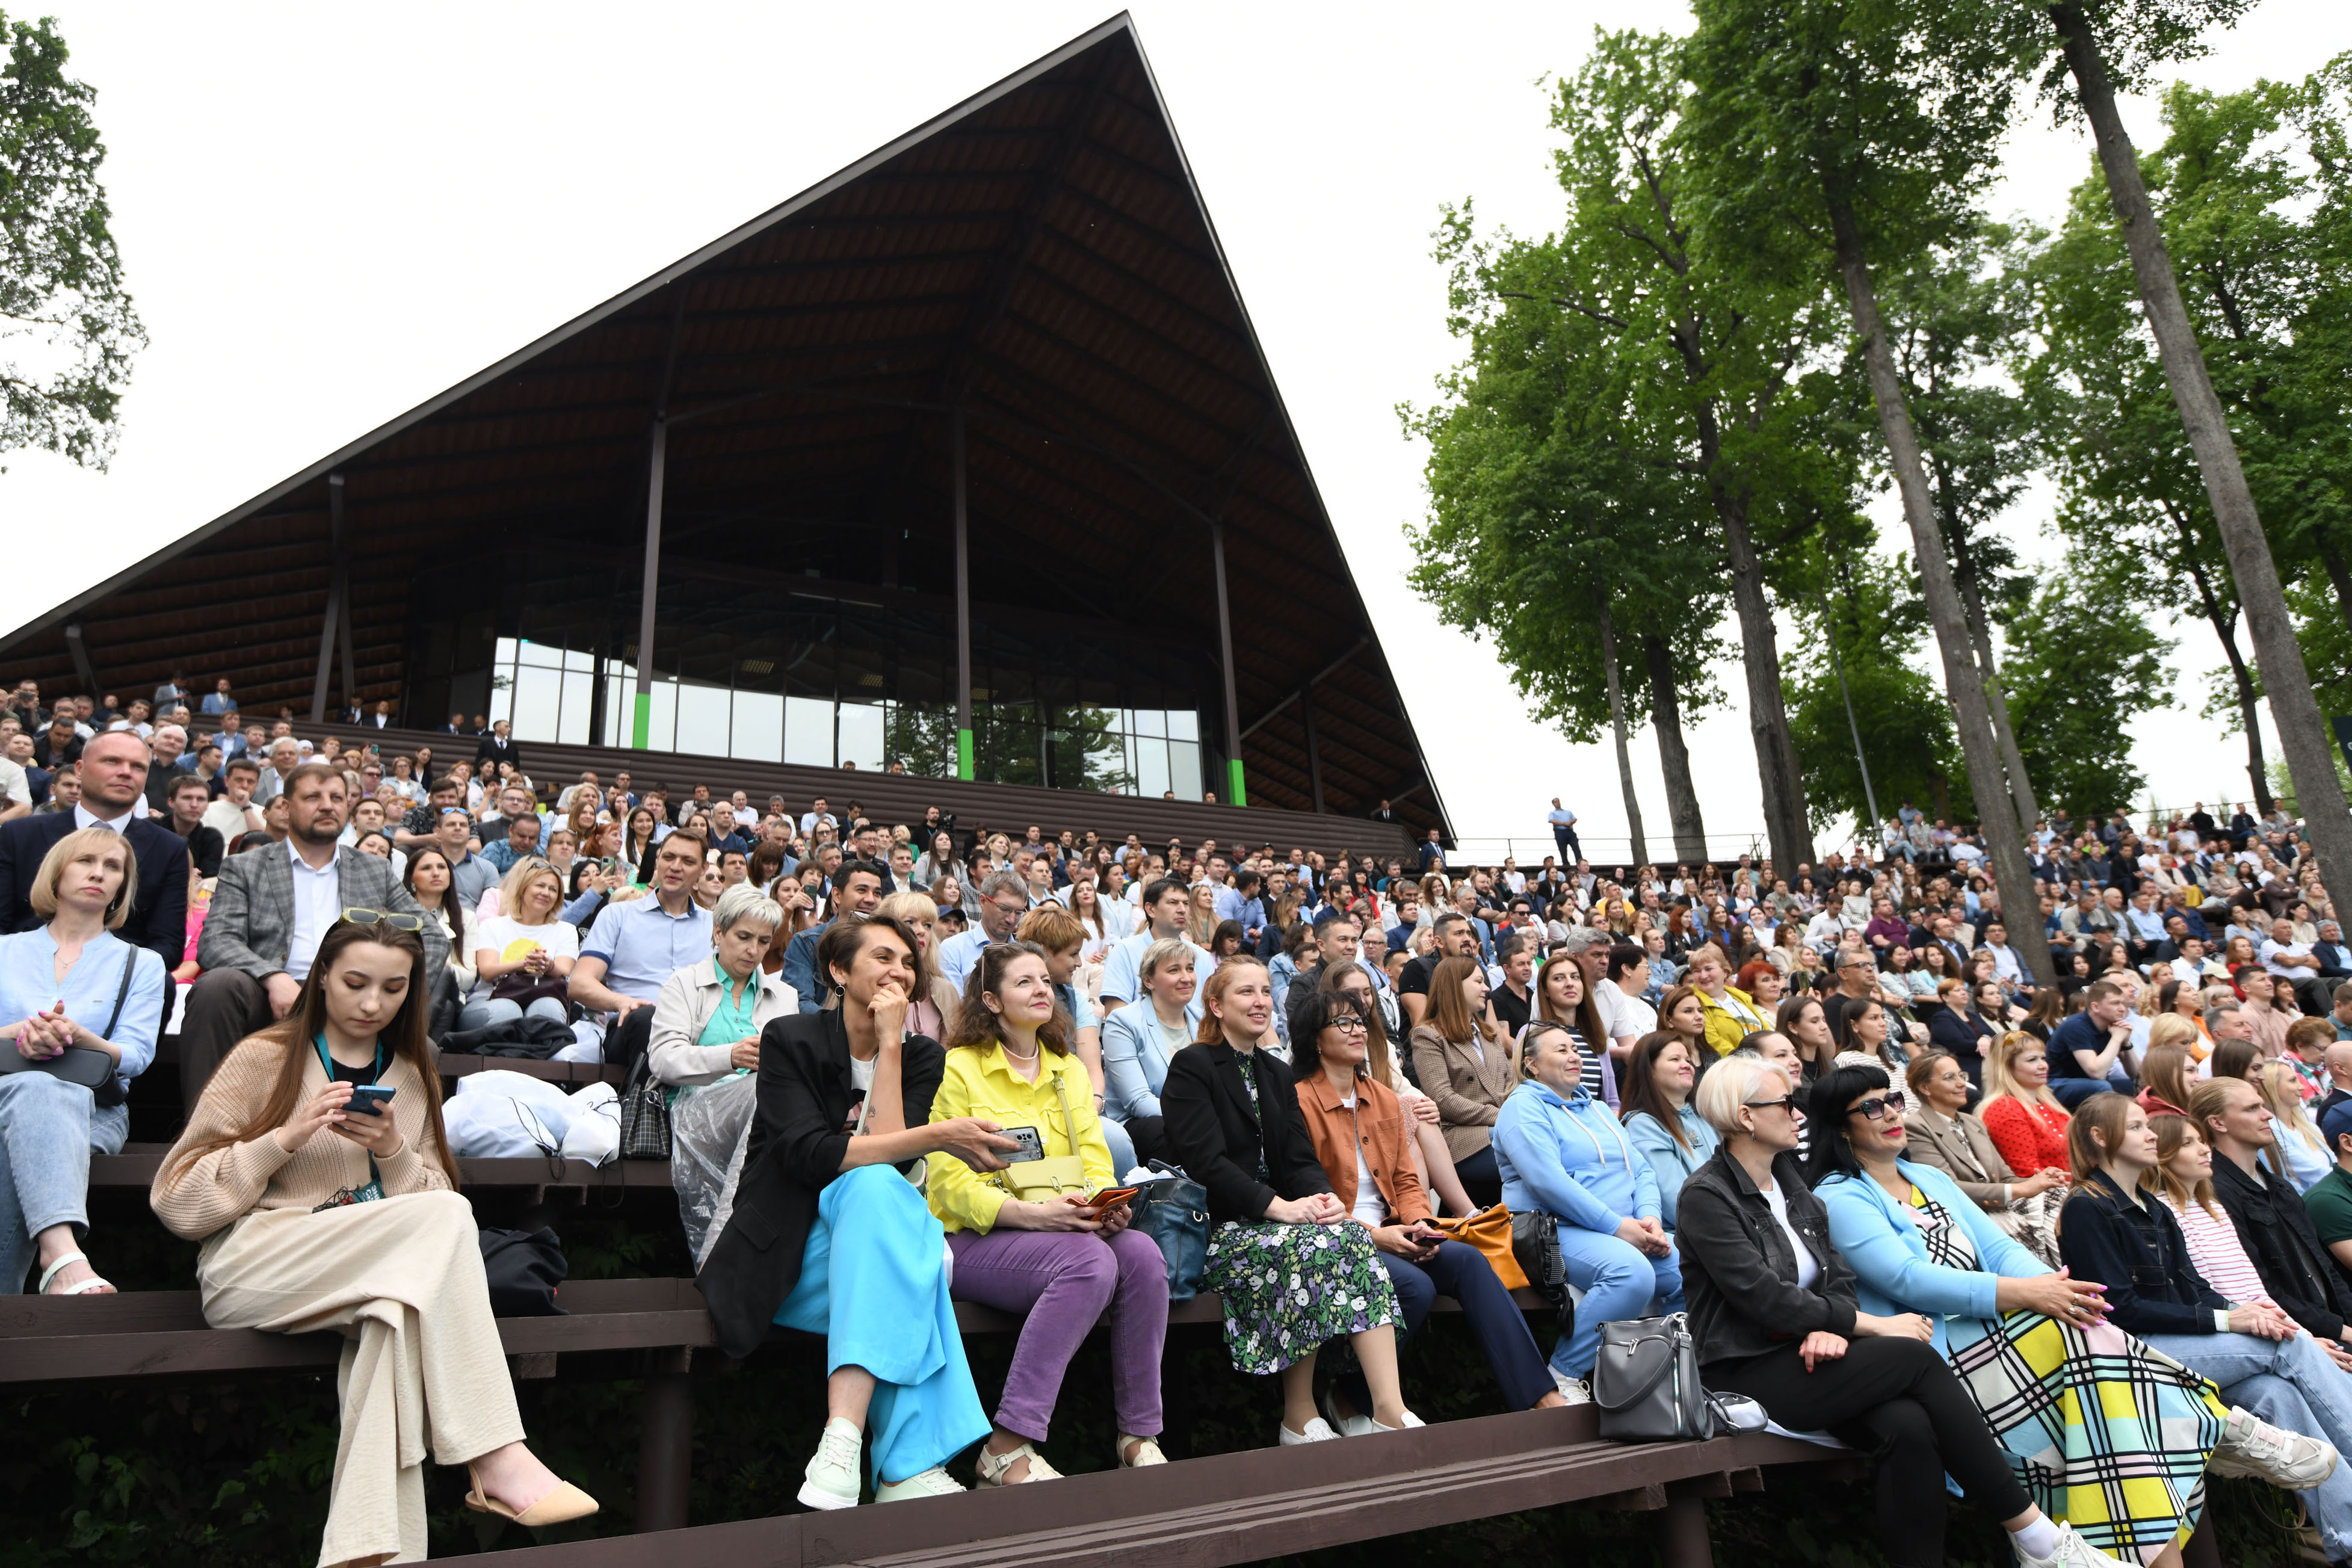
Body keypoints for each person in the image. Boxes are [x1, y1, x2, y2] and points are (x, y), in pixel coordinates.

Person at [150, 917, 598, 1563]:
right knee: (445, 1216)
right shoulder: (263, 1058)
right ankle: (495, 1452)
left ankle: (368, 1550)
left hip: (377, 1270)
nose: (371, 1003)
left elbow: (431, 1200)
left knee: (395, 1315)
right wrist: (283, 1138)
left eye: (393, 987)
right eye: (356, 982)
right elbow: (177, 1199)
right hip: (256, 1263)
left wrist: (391, 1150)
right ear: (323, 977)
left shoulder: (414, 1075)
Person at [1676, 1054, 2117, 1568]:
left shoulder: (1791, 1187)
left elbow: (1837, 1277)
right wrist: (1865, 1325)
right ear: (1746, 1116)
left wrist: (1832, 1325)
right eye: (1785, 1103)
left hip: (1812, 1356)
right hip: (1744, 1372)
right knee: (1914, 1356)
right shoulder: (1706, 1195)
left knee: (1907, 1427)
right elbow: (1761, 1297)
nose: (1798, 1114)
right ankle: (2037, 1539)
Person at [1811, 1060, 2230, 1563]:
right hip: (1941, 1356)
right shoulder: (1838, 1196)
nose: (1889, 1113)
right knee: (2115, 1419)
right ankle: (2219, 1422)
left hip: (2005, 1337)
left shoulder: (1924, 1176)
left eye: (1894, 1100)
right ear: (1840, 1125)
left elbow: (1999, 1248)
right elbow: (1909, 1280)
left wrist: (2051, 1286)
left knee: (2113, 1438)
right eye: (1871, 1107)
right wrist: (2029, 1296)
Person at [696, 913, 1016, 1506]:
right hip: (789, 1256)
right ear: (839, 971)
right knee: (912, 1256)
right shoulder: (790, 1038)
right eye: (883, 957)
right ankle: (906, 1463)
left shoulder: (921, 1055)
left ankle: (842, 1440)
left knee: (880, 1198)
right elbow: (807, 1153)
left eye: (907, 960)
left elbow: (891, 1159)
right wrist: (940, 1135)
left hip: (865, 1254)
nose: (900, 969)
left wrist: (892, 1043)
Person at [2058, 1094, 2352, 1563]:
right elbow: (2121, 1308)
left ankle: (2346, 1541)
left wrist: (2248, 1312)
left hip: (2183, 1345)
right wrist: (2227, 1319)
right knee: (2287, 1346)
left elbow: (2194, 1287)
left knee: (2276, 1394)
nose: (2151, 1133)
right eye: (2136, 1127)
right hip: (2134, 1356)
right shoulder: (2086, 1207)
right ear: (2099, 1137)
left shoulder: (2152, 1207)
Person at [926, 940, 1170, 1480]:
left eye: (1044, 980)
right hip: (976, 1240)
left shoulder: (1069, 1070)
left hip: (1066, 1228)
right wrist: (1032, 1216)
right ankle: (1007, 1445)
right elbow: (945, 1183)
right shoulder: (960, 1068)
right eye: (1023, 982)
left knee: (1142, 1255)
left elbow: (1095, 1160)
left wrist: (1105, 1208)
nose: (1041, 989)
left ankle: (1139, 1434)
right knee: (1090, 1262)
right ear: (990, 1000)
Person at [1159, 959, 1417, 1445]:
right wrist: (1276, 1207)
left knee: (1341, 1235)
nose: (1260, 1001)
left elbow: (1299, 1159)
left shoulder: (1276, 1073)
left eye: (1263, 991)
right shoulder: (1193, 1066)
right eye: (1245, 993)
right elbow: (1205, 1163)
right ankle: (1297, 1415)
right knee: (1306, 1247)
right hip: (1219, 1228)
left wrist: (1322, 1198)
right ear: (1216, 1006)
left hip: (1276, 1224)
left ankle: (1389, 1408)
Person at [1293, 986, 1563, 1426]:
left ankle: (1539, 1396)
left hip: (1395, 1229)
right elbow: (1306, 1190)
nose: (1358, 1029)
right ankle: (1353, 1397)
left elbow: (1404, 1177)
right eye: (1343, 1022)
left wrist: (1419, 1222)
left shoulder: (1380, 1096)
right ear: (1315, 1040)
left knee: (1469, 1262)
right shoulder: (1300, 1101)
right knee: (1412, 1286)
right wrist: (1377, 1236)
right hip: (1338, 1237)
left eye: (1361, 1020)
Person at [183, 762, 443, 1105]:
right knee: (217, 987)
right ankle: (206, 1135)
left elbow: (434, 939)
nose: (327, 805)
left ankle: (387, 1153)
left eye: (337, 797)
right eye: (313, 797)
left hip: (351, 994)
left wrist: (388, 991)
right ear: (286, 809)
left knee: (426, 1048)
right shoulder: (247, 866)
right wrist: (272, 977)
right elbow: (217, 940)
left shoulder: (373, 869)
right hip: (269, 994)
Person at [0, 830, 169, 1295]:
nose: (98, 872)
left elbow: (136, 1056)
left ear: (122, 886)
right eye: (86, 861)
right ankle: (62, 1259)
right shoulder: (4, 950)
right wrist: (22, 1034)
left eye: (113, 867)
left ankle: (52, 1263)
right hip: (3, 1096)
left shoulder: (143, 963)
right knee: (28, 1099)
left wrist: (77, 1036)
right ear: (57, 873)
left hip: (94, 1111)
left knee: (38, 1092)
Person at [1493, 1019, 1684, 1403]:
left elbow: (1641, 1169)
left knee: (1691, 1265)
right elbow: (1548, 1182)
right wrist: (1617, 1227)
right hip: (1552, 1229)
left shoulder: (1597, 1107)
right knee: (1630, 1273)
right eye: (1561, 1049)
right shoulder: (1522, 1108)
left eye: (1575, 1049)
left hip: (1624, 1228)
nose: (1573, 1056)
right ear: (1531, 1064)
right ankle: (1563, 1374)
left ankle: (1663, 1371)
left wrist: (1648, 1217)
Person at [0, 729, 190, 1017]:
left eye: (138, 766)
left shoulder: (170, 848)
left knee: (161, 983)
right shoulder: (19, 835)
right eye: (112, 761)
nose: (126, 773)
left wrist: (102, 969)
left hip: (115, 982)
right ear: (79, 769)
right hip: (21, 971)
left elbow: (167, 944)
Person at [2193, 1076, 2352, 1354]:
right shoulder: (2215, 1191)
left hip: (2329, 1326)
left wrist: (2346, 1326)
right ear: (2218, 1123)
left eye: (2263, 1106)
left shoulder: (2280, 1187)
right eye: (2252, 1108)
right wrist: (2337, 1331)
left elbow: (2325, 1268)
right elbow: (2259, 1287)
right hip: (2297, 1337)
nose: (2267, 1115)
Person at [1903, 1050, 2063, 1267]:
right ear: (1924, 1088)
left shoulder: (1973, 1123)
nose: (1961, 1084)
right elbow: (1947, 1188)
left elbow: (2006, 1177)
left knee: (2060, 1194)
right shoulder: (1916, 1127)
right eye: (1950, 1078)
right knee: (2056, 1212)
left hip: (2003, 1206)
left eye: (1962, 1076)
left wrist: (2042, 1181)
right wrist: (2022, 1190)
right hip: (1973, 1216)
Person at [570, 830, 712, 1072]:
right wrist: (620, 1001)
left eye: (688, 862)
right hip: (634, 1028)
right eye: (668, 857)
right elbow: (579, 983)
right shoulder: (618, 915)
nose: (675, 867)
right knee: (649, 1018)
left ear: (703, 869)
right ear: (657, 860)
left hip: (698, 1032)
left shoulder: (716, 925)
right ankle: (651, 1106)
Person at [1407, 953, 1516, 1209]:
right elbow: (1442, 1099)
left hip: (1503, 1128)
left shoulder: (1490, 1035)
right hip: (1462, 1136)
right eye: (1479, 981)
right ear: (1455, 985)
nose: (1486, 988)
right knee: (1527, 1155)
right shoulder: (1428, 1035)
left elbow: (1512, 1086)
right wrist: (1500, 1117)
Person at [1098, 936, 1202, 1168]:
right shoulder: (1124, 1022)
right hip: (1141, 1121)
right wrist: (1198, 1115)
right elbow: (1138, 1101)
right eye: (1174, 970)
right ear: (1149, 980)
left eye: (1190, 969)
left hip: (1197, 1117)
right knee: (1166, 1132)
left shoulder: (1202, 1020)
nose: (1186, 978)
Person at [460, 857, 578, 1034]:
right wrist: (525, 963)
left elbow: (564, 971)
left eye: (553, 889)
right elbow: (487, 971)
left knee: (549, 1008)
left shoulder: (566, 930)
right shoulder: (493, 926)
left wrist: (548, 965)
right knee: (508, 1010)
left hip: (543, 995)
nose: (546, 893)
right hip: (489, 999)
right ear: (523, 889)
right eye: (540, 886)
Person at [1618, 1029, 1718, 1230]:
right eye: (1675, 1059)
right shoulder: (1643, 1126)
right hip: (1694, 1234)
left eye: (1688, 1060)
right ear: (1649, 1069)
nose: (1686, 1066)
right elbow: (1677, 1203)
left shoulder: (1707, 1115)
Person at [1978, 1031, 2074, 1191]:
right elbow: (2027, 1174)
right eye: (2032, 1060)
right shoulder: (2004, 1108)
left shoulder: (2049, 1104)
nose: (2043, 1065)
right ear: (2007, 1066)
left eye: (2043, 1058)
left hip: (2072, 1193)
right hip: (2047, 1202)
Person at [2045, 980, 2135, 1109]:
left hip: (2090, 1083)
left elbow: (2136, 1074)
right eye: (2115, 1003)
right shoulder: (2076, 1026)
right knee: (2102, 1087)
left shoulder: (2113, 1026)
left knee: (2133, 1086)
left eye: (2123, 1003)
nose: (2122, 1009)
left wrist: (2126, 1042)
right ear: (2095, 1007)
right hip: (2056, 1084)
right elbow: (2097, 1073)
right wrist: (2116, 1039)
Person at [1685, 943, 1767, 1058]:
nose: (1703, 976)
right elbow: (1714, 1043)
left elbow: (1765, 1030)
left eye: (1709, 969)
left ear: (1725, 972)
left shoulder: (1742, 997)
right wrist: (1750, 1061)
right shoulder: (1694, 1002)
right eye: (1697, 971)